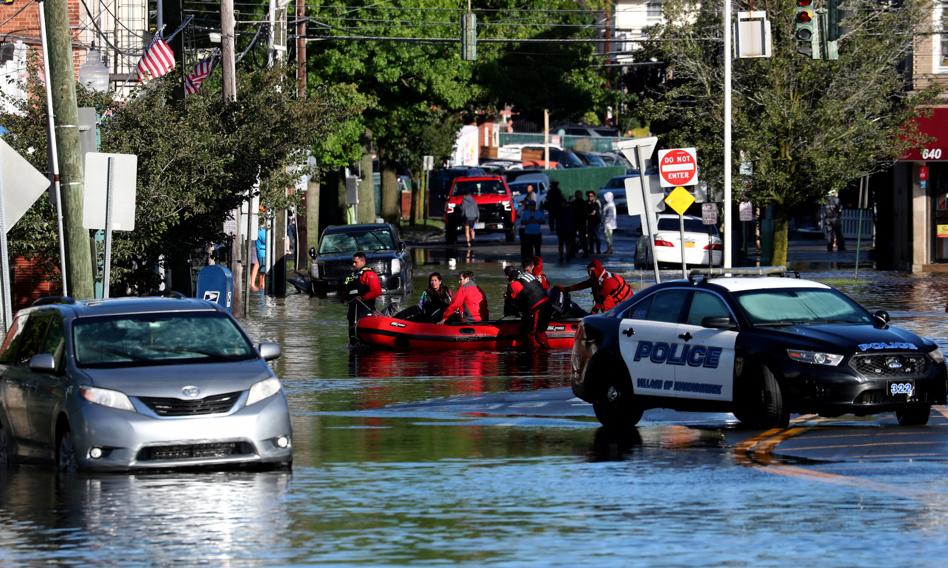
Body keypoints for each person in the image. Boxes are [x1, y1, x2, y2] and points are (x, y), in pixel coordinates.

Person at [556, 259, 632, 313]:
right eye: (588, 271)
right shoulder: (597, 278)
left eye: (591, 271)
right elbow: (581, 285)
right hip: (617, 308)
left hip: (624, 308)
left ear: (597, 270)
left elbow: (599, 302)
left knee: (604, 302)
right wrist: (565, 289)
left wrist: (590, 317)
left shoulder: (608, 281)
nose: (589, 274)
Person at [504, 266, 551, 349]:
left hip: (538, 307)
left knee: (532, 333)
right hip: (547, 303)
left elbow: (513, 304)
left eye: (506, 275)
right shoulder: (527, 275)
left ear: (508, 276)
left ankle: (537, 354)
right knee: (539, 330)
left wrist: (507, 297)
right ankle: (543, 352)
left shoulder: (514, 284)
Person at [344, 251, 382, 341]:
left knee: (361, 335)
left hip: (364, 309)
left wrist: (362, 298)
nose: (353, 264)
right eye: (352, 262)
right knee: (352, 335)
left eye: (355, 262)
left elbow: (376, 291)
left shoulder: (369, 274)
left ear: (363, 262)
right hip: (353, 311)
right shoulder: (353, 275)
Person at [571, 191, 588, 256]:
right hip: (577, 222)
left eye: (578, 195)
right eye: (576, 195)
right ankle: (574, 252)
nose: (577, 196)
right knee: (575, 238)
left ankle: (584, 252)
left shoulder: (583, 203)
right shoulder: (582, 203)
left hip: (580, 222)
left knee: (582, 238)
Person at [586, 191, 602, 255]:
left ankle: (598, 250)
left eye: (591, 196)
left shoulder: (596, 203)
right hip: (590, 222)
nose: (590, 197)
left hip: (596, 222)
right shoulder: (587, 203)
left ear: (594, 196)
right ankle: (591, 250)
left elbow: (594, 212)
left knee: (597, 236)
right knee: (590, 236)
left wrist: (588, 214)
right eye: (589, 196)